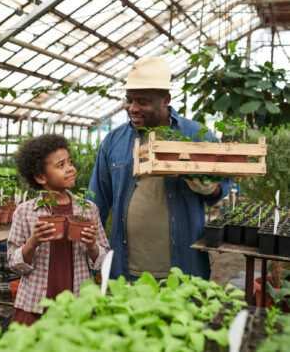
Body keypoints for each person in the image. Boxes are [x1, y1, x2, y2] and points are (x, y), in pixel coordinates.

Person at [88, 56, 232, 282]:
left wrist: (206, 187)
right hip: (125, 271)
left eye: (142, 101)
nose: (132, 108)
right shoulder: (113, 141)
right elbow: (96, 203)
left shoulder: (197, 135)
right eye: (129, 100)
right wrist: (93, 258)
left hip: (183, 269)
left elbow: (220, 191)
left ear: (165, 100)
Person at [8, 134, 110, 325]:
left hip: (78, 304)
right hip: (36, 304)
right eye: (60, 165)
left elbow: (103, 261)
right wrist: (33, 242)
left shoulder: (88, 209)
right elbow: (14, 264)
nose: (70, 168)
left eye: (69, 162)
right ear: (40, 177)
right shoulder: (25, 212)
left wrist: (92, 246)